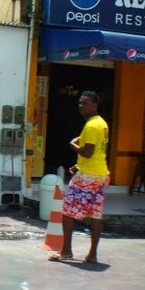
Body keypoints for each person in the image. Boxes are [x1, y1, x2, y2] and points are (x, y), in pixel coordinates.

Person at [49, 91, 110, 264]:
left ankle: (66, 251)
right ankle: (92, 254)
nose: (81, 106)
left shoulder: (91, 126)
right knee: (95, 214)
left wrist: (73, 145)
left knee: (68, 212)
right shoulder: (101, 123)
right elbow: (97, 150)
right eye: (80, 103)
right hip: (101, 174)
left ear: (95, 105)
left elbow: (88, 152)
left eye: (85, 103)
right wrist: (78, 164)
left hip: (88, 176)